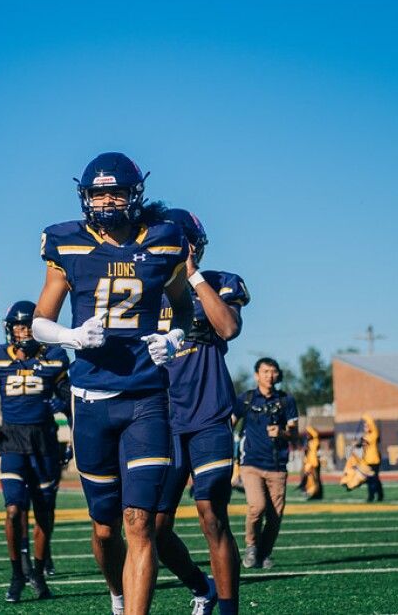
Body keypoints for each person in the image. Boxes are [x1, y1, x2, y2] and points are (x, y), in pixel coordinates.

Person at [32, 152, 193, 615]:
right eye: (98, 192)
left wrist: (175, 337)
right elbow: (42, 321)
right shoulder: (66, 242)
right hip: (91, 399)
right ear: (85, 197)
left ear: (133, 195)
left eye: (115, 192)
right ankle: (118, 596)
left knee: (139, 520)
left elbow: (182, 309)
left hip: (146, 397)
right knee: (105, 528)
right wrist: (70, 336)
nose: (106, 201)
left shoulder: (165, 240)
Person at [151, 208, 249, 615]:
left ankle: (228, 610)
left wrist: (192, 275)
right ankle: (201, 586)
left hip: (208, 414)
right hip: (160, 419)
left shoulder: (219, 283)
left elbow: (227, 327)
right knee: (153, 528)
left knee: (212, 513)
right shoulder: (144, 290)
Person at [0, 300, 71, 602]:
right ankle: (17, 574)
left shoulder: (55, 356)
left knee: (44, 513)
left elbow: (70, 400)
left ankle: (38, 573)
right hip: (12, 440)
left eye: (28, 324)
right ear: (10, 329)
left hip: (44, 441)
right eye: (18, 325)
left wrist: (66, 410)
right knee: (14, 509)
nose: (24, 330)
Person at [233, 358, 299, 570]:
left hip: (278, 466)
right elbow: (229, 423)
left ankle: (264, 553)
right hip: (250, 463)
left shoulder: (286, 401)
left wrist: (282, 433)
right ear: (256, 375)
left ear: (278, 375)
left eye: (273, 371)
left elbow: (294, 433)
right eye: (265, 371)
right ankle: (251, 546)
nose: (269, 376)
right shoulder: (246, 399)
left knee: (275, 515)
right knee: (257, 506)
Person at [359, 414, 383, 503]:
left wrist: (366, 417)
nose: (365, 427)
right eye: (364, 426)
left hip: (374, 461)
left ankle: (373, 496)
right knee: (371, 480)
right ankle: (377, 495)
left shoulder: (374, 434)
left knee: (374, 479)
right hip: (367, 461)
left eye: (367, 425)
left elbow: (371, 424)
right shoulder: (365, 436)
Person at [300, 426, 323, 501]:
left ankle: (317, 494)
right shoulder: (309, 442)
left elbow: (315, 434)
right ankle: (314, 493)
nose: (308, 435)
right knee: (313, 479)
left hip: (315, 463)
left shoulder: (315, 440)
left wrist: (308, 427)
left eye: (309, 434)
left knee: (316, 479)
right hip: (310, 463)